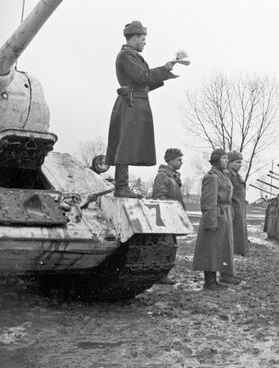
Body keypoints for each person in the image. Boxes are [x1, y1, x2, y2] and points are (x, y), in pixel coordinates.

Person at [106, 21, 178, 198]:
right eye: (143, 38)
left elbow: (143, 84)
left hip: (134, 102)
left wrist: (165, 73)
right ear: (135, 37)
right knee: (125, 146)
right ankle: (121, 187)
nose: (145, 42)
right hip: (131, 104)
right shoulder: (126, 55)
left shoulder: (130, 55)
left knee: (127, 145)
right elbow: (142, 77)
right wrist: (164, 69)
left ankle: (122, 186)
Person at [192, 149, 238, 290]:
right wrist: (211, 220)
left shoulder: (222, 176)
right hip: (216, 215)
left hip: (224, 215)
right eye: (223, 158)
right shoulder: (212, 177)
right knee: (211, 248)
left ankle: (216, 279)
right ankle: (209, 281)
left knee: (221, 248)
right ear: (216, 159)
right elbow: (208, 201)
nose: (226, 161)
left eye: (227, 158)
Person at [151, 148, 184, 285]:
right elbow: (158, 196)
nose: (181, 163)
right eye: (179, 160)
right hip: (165, 217)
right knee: (165, 245)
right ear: (170, 160)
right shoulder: (163, 176)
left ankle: (163, 274)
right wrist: (170, 209)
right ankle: (159, 275)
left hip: (172, 216)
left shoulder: (174, 176)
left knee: (171, 245)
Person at [227, 151, 248, 256]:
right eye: (237, 162)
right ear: (229, 162)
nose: (240, 165)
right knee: (232, 236)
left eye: (241, 162)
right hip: (233, 210)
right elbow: (227, 195)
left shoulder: (238, 176)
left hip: (240, 209)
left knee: (240, 234)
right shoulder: (227, 176)